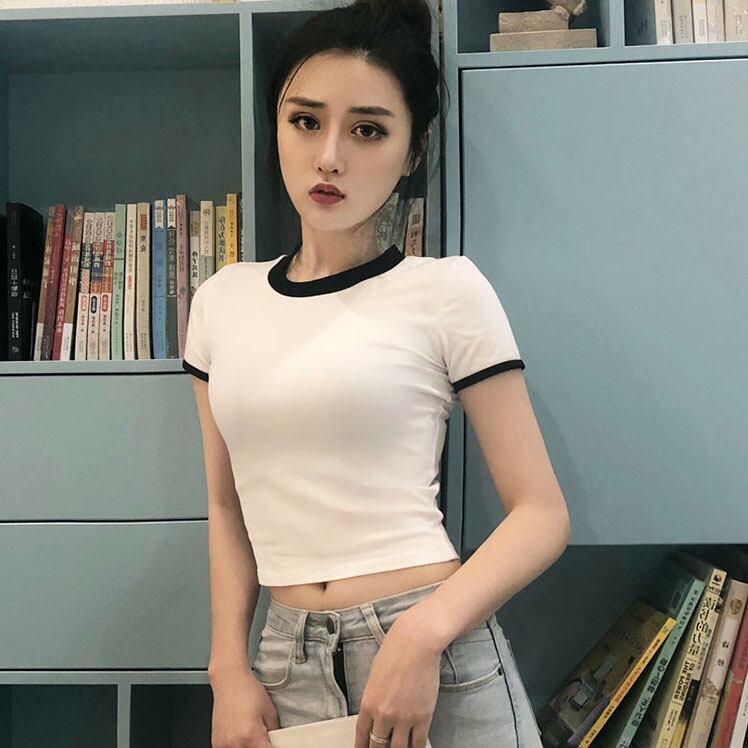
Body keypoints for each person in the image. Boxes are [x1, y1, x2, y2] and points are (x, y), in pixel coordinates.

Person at [181, 0, 571, 746]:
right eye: (305, 120)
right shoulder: (221, 302)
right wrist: (227, 669)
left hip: (431, 646)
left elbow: (541, 514)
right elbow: (226, 506)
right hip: (285, 661)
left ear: (412, 152)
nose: (329, 157)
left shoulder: (447, 291)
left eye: (367, 130)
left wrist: (423, 635)